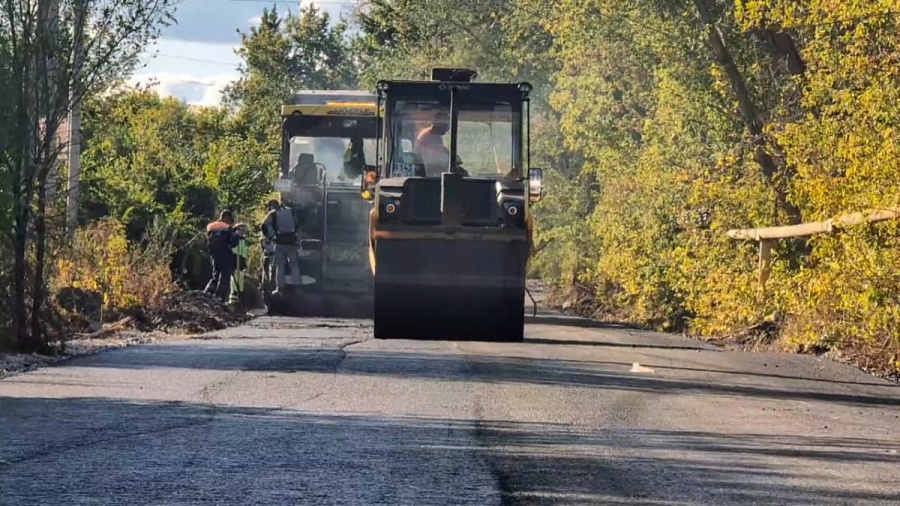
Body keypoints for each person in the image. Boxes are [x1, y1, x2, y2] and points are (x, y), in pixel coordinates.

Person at [262, 199, 300, 294]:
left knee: (280, 266)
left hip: (280, 242)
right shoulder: (290, 211)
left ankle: (280, 288)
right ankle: (297, 286)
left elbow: (264, 225)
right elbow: (297, 223)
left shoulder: (273, 214)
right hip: (292, 241)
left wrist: (270, 237)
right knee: (294, 265)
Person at [413, 112, 465, 176]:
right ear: (437, 123)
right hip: (429, 174)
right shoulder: (427, 136)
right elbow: (439, 152)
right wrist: (452, 158)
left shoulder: (434, 136)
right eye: (445, 124)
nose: (447, 128)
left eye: (448, 124)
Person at [205, 210, 240, 302]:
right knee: (225, 275)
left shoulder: (210, 226)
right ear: (226, 218)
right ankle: (220, 297)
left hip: (213, 253)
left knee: (216, 273)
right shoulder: (228, 228)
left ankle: (208, 293)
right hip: (225, 253)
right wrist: (237, 236)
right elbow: (234, 242)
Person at [228, 223, 249, 307]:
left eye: (244, 230)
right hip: (235, 258)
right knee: (235, 277)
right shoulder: (234, 238)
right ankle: (234, 295)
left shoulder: (243, 239)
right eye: (241, 230)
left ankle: (240, 293)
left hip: (241, 259)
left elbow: (244, 251)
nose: (243, 232)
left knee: (241, 277)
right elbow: (232, 248)